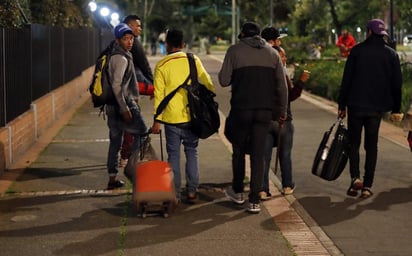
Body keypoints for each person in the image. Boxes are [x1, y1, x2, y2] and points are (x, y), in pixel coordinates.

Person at [219, 22, 288, 213]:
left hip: (241, 109)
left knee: (239, 150)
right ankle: (255, 200)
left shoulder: (234, 51)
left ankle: (238, 191)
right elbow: (282, 87)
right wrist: (282, 112)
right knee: (258, 155)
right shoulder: (273, 54)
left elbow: (224, 80)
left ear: (242, 34)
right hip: (264, 112)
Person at [337, 19, 403, 199]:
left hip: (356, 106)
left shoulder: (357, 51)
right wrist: (397, 108)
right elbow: (397, 85)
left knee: (354, 144)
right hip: (376, 108)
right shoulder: (391, 54)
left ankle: (355, 178)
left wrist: (341, 105)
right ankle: (367, 186)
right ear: (382, 34)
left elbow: (347, 80)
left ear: (369, 32)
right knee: (371, 146)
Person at [150, 29, 215, 202]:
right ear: (183, 45)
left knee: (173, 157)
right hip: (192, 118)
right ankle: (192, 191)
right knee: (192, 152)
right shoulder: (193, 60)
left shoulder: (162, 66)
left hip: (171, 120)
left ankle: (175, 194)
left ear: (167, 45)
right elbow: (208, 83)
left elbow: (159, 96)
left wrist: (157, 120)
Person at [261, 27, 310, 198]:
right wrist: (301, 83)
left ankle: (262, 188)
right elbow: (290, 96)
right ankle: (287, 185)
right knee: (285, 155)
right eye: (283, 55)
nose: (285, 58)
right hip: (284, 120)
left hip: (266, 119)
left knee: (264, 156)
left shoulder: (262, 72)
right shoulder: (282, 74)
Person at [105, 23, 148, 189]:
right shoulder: (121, 58)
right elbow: (117, 85)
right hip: (123, 105)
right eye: (125, 38)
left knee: (115, 142)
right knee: (142, 132)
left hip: (111, 105)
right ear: (118, 40)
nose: (129, 42)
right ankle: (133, 168)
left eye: (131, 38)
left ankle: (112, 177)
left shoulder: (113, 54)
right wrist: (125, 108)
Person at [118, 15, 154, 168]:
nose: (140, 28)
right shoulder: (134, 44)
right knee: (135, 126)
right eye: (137, 26)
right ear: (129, 26)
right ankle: (126, 156)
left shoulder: (116, 44)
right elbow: (145, 66)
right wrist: (153, 86)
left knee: (120, 127)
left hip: (120, 92)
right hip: (130, 91)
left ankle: (121, 158)